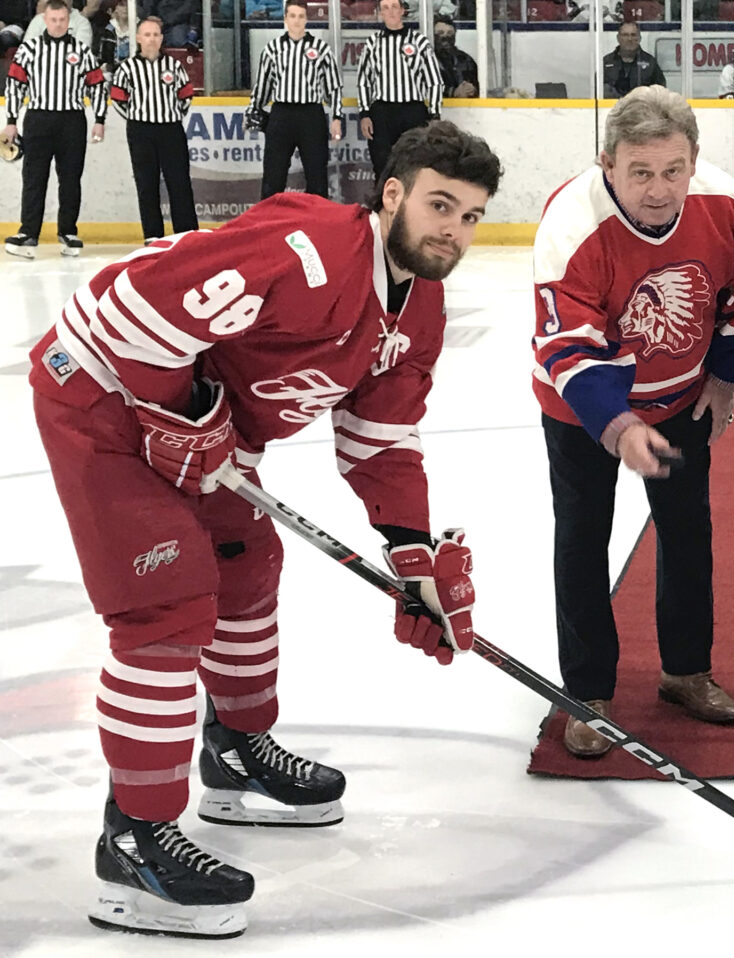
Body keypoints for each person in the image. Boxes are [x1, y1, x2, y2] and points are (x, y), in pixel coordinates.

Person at [29, 120, 501, 938]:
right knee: (166, 610)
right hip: (102, 395)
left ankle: (237, 752)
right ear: (391, 195)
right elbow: (138, 309)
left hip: (195, 427)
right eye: (439, 206)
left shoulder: (419, 305)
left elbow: (380, 435)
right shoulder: (309, 246)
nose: (452, 231)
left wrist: (411, 555)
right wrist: (186, 413)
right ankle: (133, 840)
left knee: (247, 563)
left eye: (470, 216)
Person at [531, 87, 734, 758]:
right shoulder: (572, 223)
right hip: (580, 408)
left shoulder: (727, 207)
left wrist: (725, 378)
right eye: (640, 173)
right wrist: (618, 424)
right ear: (607, 163)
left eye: (673, 170)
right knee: (582, 536)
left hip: (682, 396)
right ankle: (587, 693)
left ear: (694, 160)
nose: (659, 191)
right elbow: (568, 346)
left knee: (688, 530)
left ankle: (685, 670)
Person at [3, 0, 107, 259]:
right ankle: (28, 233)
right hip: (38, 119)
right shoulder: (30, 49)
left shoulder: (81, 51)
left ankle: (68, 233)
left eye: (62, 20)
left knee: (70, 178)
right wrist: (12, 120)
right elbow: (15, 84)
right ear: (45, 20)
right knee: (34, 178)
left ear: (68, 21)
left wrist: (100, 119)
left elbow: (96, 85)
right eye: (53, 20)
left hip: (72, 120)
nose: (58, 24)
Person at [109, 16, 198, 243]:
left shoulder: (174, 66)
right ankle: (153, 235)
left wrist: (174, 115)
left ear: (161, 39)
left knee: (179, 182)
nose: (151, 39)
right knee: (146, 184)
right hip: (140, 131)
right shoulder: (127, 68)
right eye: (146, 35)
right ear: (138, 38)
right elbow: (118, 99)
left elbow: (186, 95)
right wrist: (135, 117)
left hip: (171, 130)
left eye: (155, 35)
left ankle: (186, 233)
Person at [247, 0, 342, 198]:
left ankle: (315, 225)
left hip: (311, 115)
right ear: (285, 19)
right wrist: (253, 109)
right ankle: (270, 225)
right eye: (292, 16)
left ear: (307, 19)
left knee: (317, 176)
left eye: (301, 16)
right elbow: (262, 86)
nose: (297, 21)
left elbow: (333, 86)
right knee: (273, 175)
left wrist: (337, 117)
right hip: (281, 114)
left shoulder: (321, 49)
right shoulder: (272, 49)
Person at [356, 0, 443, 180]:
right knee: (382, 166)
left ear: (403, 10)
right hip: (382, 113)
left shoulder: (419, 42)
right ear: (380, 13)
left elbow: (434, 81)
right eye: (386, 8)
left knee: (415, 167)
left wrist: (434, 116)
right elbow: (364, 80)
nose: (391, 12)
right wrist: (364, 113)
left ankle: (411, 208)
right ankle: (383, 207)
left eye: (394, 7)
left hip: (413, 112)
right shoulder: (373, 43)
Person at [602, 19, 664, 98]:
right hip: (611, 108)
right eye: (625, 35)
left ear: (639, 38)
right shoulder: (606, 62)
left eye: (633, 35)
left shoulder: (650, 62)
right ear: (618, 38)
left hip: (641, 108)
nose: (629, 39)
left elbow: (661, 92)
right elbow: (597, 91)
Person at [433, 15, 478, 97]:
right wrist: (452, 92)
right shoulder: (425, 60)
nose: (446, 37)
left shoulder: (466, 59)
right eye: (440, 33)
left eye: (450, 33)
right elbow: (423, 88)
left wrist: (473, 89)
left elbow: (479, 84)